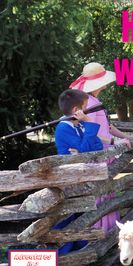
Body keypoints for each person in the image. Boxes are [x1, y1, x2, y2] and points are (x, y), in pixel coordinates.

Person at [69, 62, 133, 231]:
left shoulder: (92, 100)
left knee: (105, 193)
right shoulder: (89, 103)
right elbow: (90, 132)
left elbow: (107, 126)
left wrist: (126, 136)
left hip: (102, 155)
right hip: (96, 157)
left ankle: (107, 233)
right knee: (100, 196)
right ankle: (100, 233)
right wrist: (116, 143)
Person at [54, 89, 103, 254]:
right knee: (69, 217)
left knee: (81, 215)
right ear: (77, 111)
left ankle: (80, 252)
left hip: (81, 177)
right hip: (70, 180)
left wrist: (84, 145)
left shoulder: (79, 126)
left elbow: (97, 147)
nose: (88, 111)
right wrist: (88, 125)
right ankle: (64, 254)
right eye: (86, 107)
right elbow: (86, 151)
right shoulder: (64, 128)